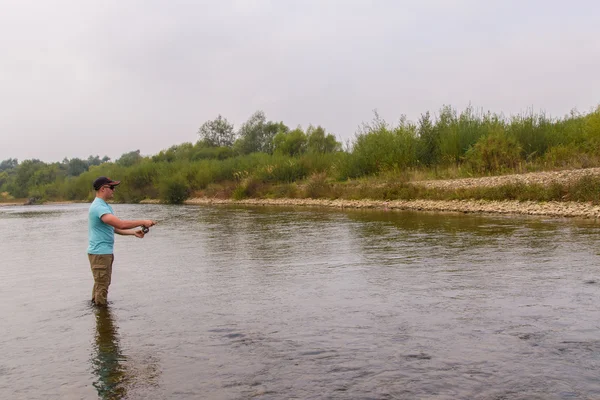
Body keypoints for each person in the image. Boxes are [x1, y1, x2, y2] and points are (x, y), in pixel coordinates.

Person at [88, 176, 156, 306]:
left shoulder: (104, 206)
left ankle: (99, 316)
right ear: (103, 189)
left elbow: (113, 228)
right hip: (100, 254)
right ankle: (103, 319)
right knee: (102, 286)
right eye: (112, 187)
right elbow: (121, 224)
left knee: (100, 285)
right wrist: (142, 221)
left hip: (102, 253)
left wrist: (133, 233)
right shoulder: (99, 207)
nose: (114, 190)